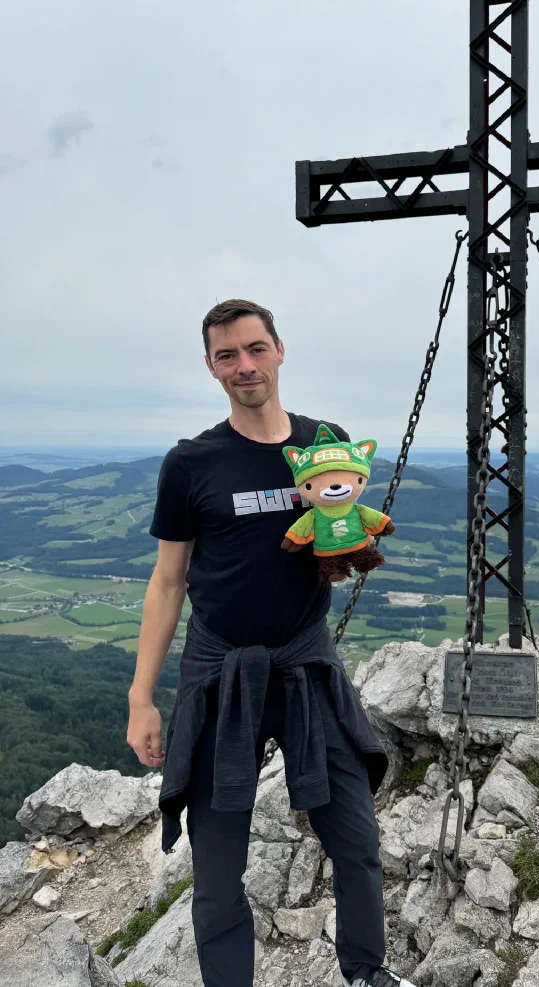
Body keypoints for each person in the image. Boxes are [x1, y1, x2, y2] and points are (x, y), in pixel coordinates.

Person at [126, 299, 417, 987]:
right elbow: (168, 582)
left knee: (354, 834)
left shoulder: (323, 442)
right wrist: (142, 696)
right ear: (211, 367)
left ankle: (366, 972)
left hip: (304, 659)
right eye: (227, 355)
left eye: (255, 348)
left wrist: (348, 551)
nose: (244, 365)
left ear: (280, 351)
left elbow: (340, 525)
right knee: (219, 862)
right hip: (219, 667)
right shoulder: (191, 463)